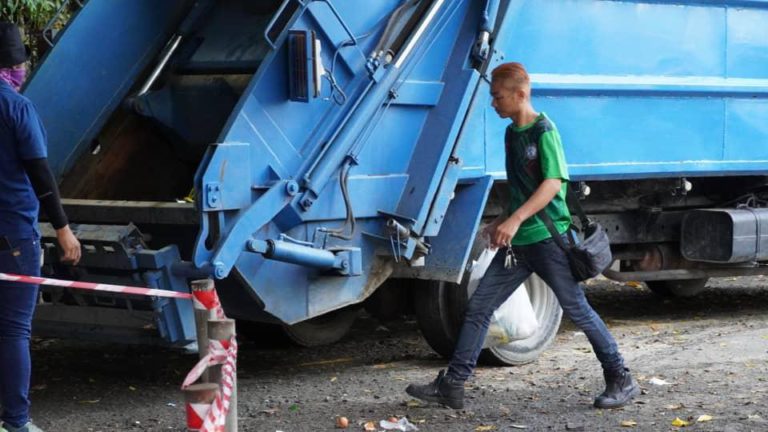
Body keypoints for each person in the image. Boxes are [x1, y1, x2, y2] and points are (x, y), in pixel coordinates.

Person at [406, 62, 639, 410]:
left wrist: (513, 221)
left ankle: (621, 377)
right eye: (492, 97)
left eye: (498, 97)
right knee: (479, 307)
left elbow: (552, 184)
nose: (493, 103)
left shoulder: (544, 131)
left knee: (578, 309)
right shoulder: (512, 133)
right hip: (521, 244)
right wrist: (501, 221)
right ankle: (453, 385)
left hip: (547, 240)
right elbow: (522, 190)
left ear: (521, 94)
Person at [0, 22, 81, 432]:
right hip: (13, 236)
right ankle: (16, 422)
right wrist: (63, 228)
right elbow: (39, 172)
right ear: (13, 64)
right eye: (21, 62)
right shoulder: (17, 108)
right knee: (13, 330)